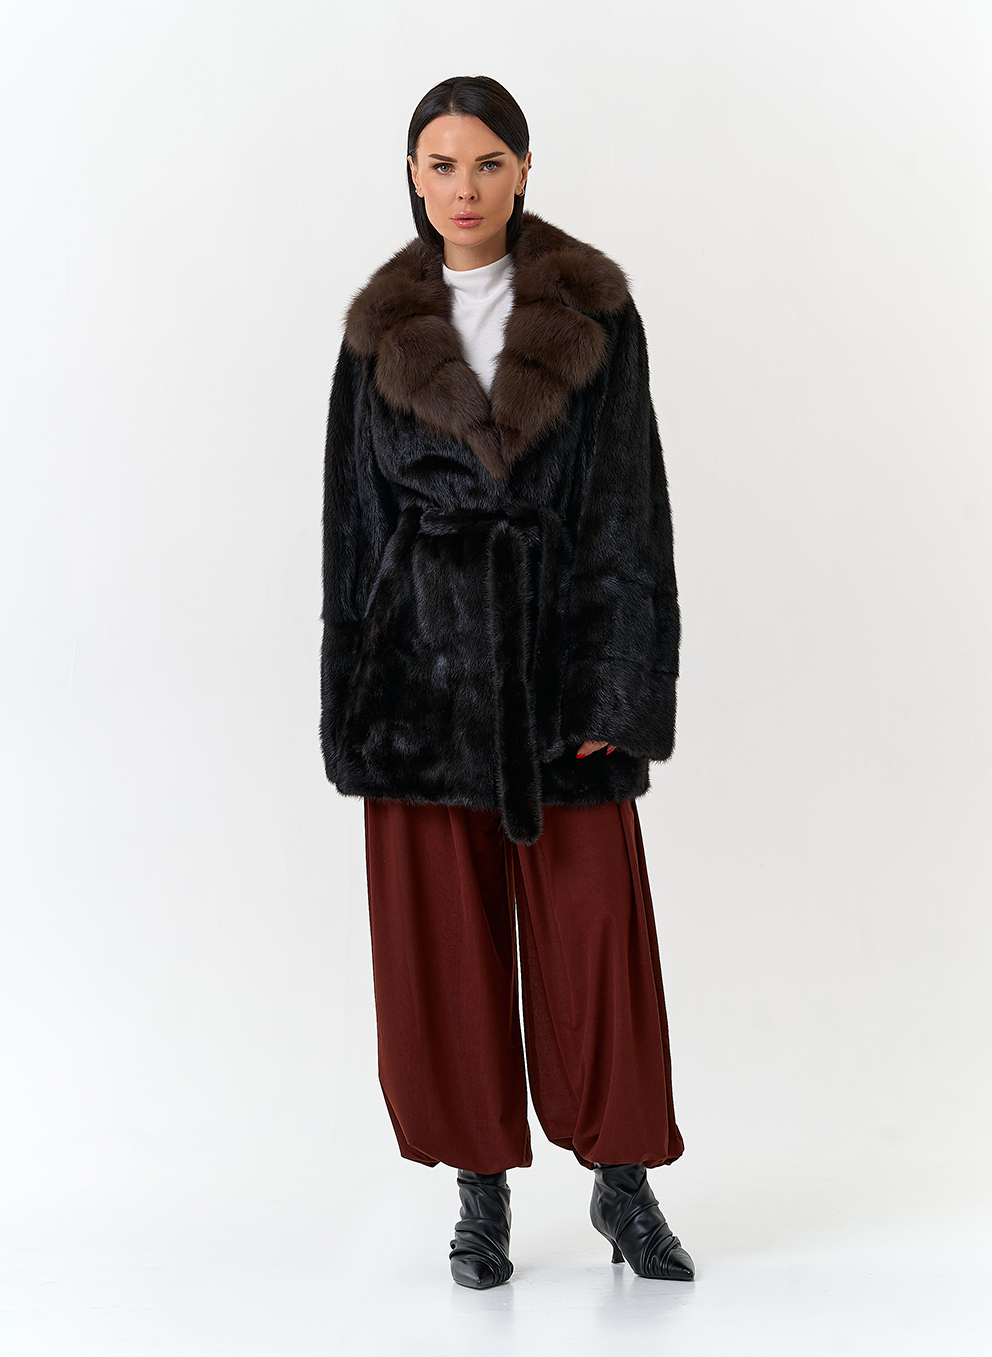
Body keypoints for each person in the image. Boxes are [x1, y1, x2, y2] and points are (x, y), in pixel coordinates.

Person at [320, 74, 694, 1289]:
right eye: (441, 164)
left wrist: (613, 692)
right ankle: (477, 1196)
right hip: (416, 683)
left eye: (487, 162)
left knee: (595, 943)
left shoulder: (592, 311)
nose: (464, 188)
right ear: (412, 176)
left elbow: (627, 510)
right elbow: (351, 526)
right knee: (444, 953)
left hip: (558, 673)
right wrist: (355, 705)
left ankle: (622, 1185)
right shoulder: (379, 328)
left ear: (524, 170)